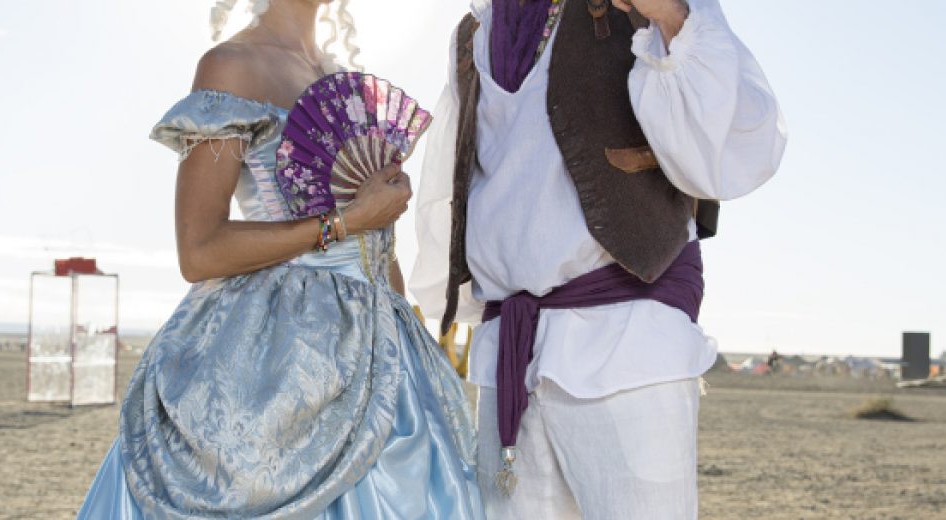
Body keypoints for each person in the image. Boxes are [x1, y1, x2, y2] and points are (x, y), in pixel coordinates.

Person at [76, 1, 484, 518]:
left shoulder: (346, 84)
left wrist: (407, 341)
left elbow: (379, 250)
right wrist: (343, 223)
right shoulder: (231, 67)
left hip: (384, 349)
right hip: (274, 357)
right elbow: (199, 250)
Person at [412, 0, 787, 517]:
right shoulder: (475, 30)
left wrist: (671, 18)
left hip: (626, 342)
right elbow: (455, 184)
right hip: (511, 351)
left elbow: (729, 146)